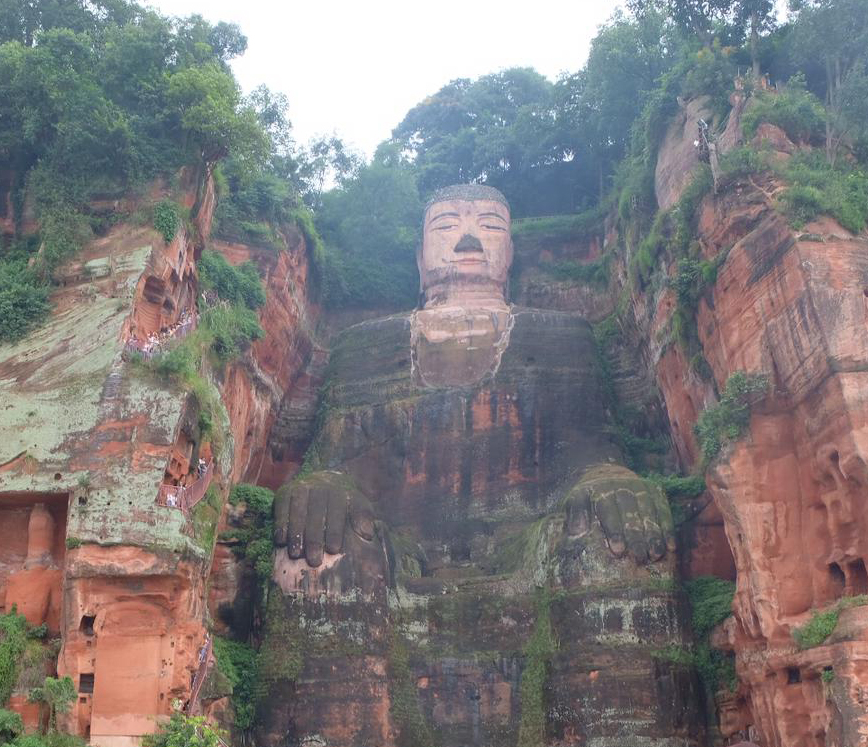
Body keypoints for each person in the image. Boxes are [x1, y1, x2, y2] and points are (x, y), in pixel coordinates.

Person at [261, 185, 694, 746]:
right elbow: (336, 461)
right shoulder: (363, 346)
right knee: (314, 556)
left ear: (511, 251)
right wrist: (322, 485)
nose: (466, 238)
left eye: (489, 225)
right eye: (445, 227)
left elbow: (593, 455)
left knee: (614, 545)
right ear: (420, 258)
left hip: (532, 544)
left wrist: (612, 481)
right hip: (398, 554)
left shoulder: (564, 336)